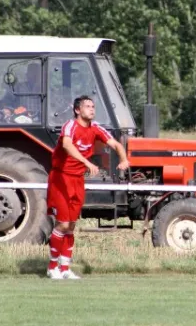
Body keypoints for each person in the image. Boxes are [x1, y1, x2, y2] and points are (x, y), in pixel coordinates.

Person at [46, 95, 130, 279]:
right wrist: (87, 162)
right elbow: (67, 145)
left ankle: (65, 269)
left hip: (77, 180)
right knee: (62, 224)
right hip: (61, 178)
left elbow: (115, 143)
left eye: (93, 106)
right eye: (87, 106)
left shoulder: (96, 128)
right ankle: (52, 267)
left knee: (71, 226)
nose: (92, 109)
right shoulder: (70, 126)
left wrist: (124, 159)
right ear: (77, 110)